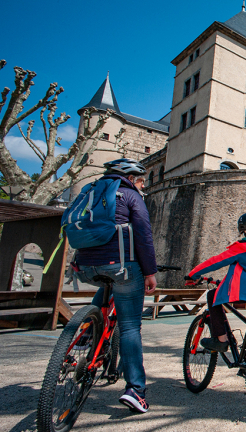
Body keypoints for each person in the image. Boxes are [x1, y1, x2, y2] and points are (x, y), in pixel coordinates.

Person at [73, 158, 157, 413]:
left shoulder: (90, 192)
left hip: (86, 266)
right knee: (131, 327)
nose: (143, 186)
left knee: (106, 285)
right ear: (131, 178)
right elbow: (143, 234)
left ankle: (85, 333)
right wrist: (150, 272)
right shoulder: (131, 196)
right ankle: (135, 391)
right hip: (121, 264)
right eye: (141, 181)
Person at [187, 212, 246, 353]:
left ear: (244, 231)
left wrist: (193, 274)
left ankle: (221, 340)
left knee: (213, 296)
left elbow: (215, 262)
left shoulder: (240, 247)